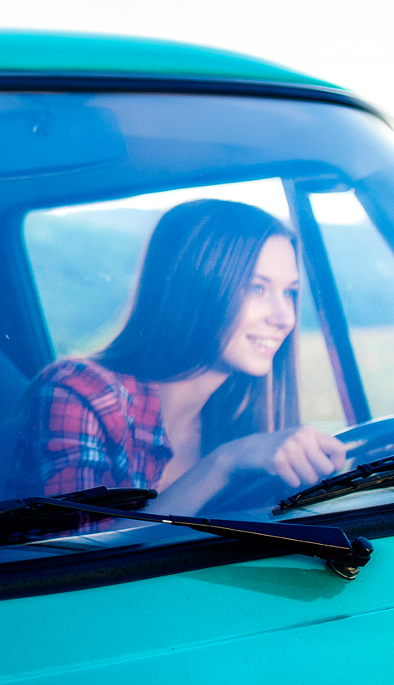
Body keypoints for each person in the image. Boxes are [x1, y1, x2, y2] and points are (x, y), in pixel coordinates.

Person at [21, 198, 349, 514]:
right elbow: (77, 553)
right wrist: (223, 464)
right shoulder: (79, 390)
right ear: (195, 289)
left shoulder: (244, 413)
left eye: (289, 293)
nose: (284, 318)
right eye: (256, 288)